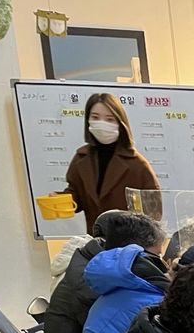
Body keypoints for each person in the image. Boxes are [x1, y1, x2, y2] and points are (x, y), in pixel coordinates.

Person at [40, 211, 163, 333]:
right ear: (132, 251)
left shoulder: (92, 267)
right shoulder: (90, 284)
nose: (159, 263)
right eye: (156, 256)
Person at [62, 94, 161, 234]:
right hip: (96, 240)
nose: (101, 123)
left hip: (129, 242)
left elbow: (153, 214)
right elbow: (76, 196)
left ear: (120, 123)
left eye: (109, 119)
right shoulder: (81, 158)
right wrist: (60, 201)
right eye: (95, 117)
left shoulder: (137, 164)